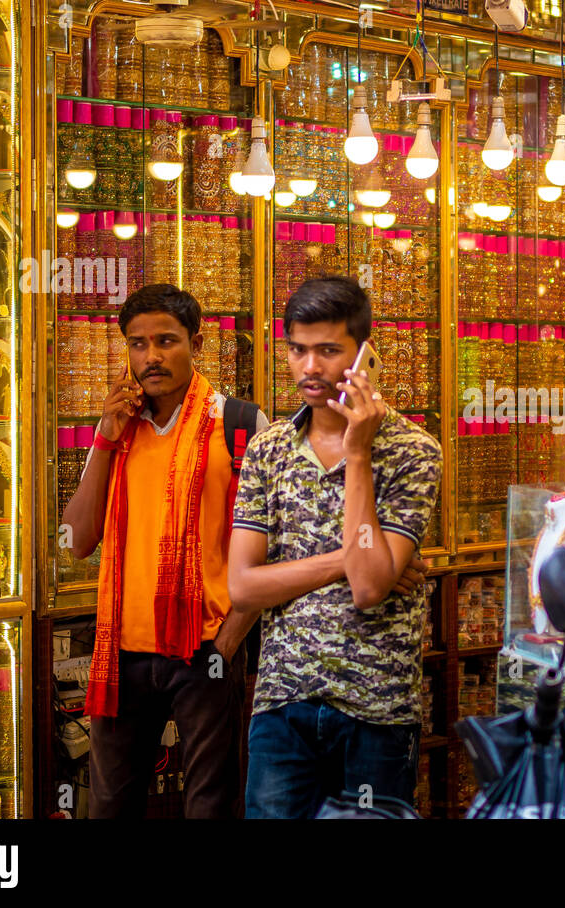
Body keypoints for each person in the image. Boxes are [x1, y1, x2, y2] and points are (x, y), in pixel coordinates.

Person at [228, 276, 442, 819]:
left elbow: (369, 588)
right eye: (298, 350)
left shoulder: (414, 452)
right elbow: (244, 586)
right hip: (283, 700)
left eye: (328, 351)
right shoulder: (267, 449)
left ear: (364, 356)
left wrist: (359, 454)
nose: (310, 368)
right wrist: (341, 563)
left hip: (377, 710)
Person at [64, 283, 269, 819]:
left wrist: (226, 646)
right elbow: (76, 541)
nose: (150, 357)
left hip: (205, 650)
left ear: (196, 344)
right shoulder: (119, 428)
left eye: (165, 341)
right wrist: (106, 435)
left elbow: (270, 549)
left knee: (210, 803)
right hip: (122, 651)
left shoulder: (242, 426)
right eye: (136, 344)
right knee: (111, 804)